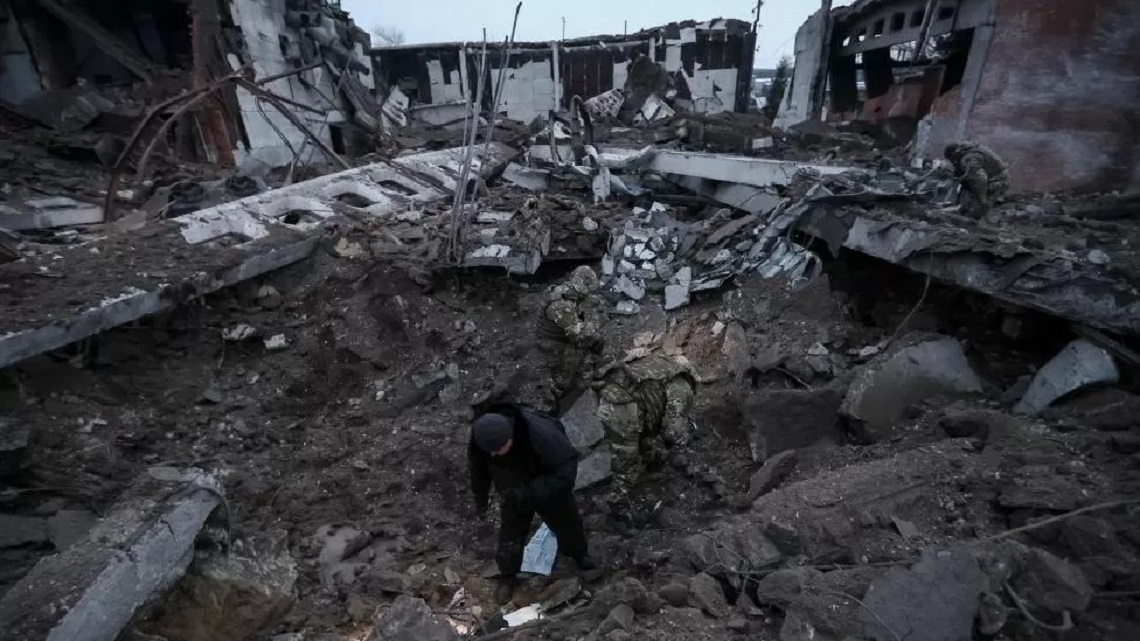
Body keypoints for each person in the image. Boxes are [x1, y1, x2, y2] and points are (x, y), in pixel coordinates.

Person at [468, 402, 594, 602]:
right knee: (510, 537)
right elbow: (478, 470)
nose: (493, 455)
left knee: (567, 525)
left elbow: (566, 471)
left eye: (498, 449)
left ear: (510, 437)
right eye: (490, 451)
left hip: (548, 485)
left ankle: (580, 556)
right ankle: (508, 575)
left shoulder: (541, 434)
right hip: (512, 488)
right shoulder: (481, 437)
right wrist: (480, 500)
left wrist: (531, 492)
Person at [593, 355, 697, 530]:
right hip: (623, 410)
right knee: (626, 466)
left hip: (611, 397)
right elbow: (671, 432)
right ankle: (618, 510)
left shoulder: (662, 365)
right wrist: (685, 436)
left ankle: (647, 458)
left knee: (638, 442)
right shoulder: (682, 388)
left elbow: (653, 408)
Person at [534, 266, 604, 411]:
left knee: (596, 341)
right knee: (566, 374)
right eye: (589, 291)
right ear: (582, 288)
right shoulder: (560, 304)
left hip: (563, 334)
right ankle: (557, 396)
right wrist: (596, 322)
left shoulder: (568, 292)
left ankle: (586, 376)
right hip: (551, 341)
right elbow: (578, 332)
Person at [944, 142, 1009, 217]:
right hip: (995, 180)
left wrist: (982, 199)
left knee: (974, 213)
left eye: (951, 160)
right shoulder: (970, 152)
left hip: (995, 183)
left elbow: (981, 179)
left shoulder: (967, 159)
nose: (953, 163)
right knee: (965, 208)